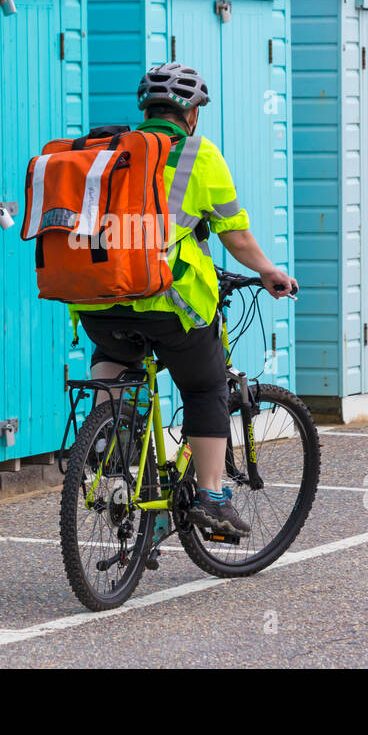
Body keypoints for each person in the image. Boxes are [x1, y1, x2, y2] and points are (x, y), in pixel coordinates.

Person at [73, 63, 298, 536]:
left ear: (146, 110)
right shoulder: (199, 155)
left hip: (97, 299)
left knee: (115, 351)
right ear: (190, 115)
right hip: (168, 302)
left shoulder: (108, 151)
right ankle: (213, 498)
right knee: (204, 388)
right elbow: (234, 236)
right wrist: (269, 272)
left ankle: (110, 454)